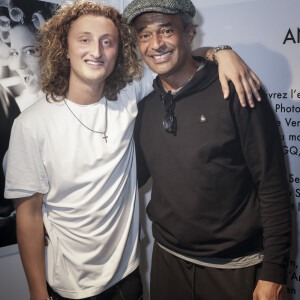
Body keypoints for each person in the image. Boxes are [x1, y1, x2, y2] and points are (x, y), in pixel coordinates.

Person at [4, 0, 262, 299]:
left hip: (130, 278)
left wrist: (222, 52)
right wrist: (37, 292)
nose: (96, 51)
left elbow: (174, 59)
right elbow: (29, 216)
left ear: (119, 50)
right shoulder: (31, 125)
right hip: (70, 288)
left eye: (107, 42)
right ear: (64, 47)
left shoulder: (129, 94)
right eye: (84, 40)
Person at [123, 0, 292, 299]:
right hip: (168, 264)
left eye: (166, 30)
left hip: (236, 270)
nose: (156, 44)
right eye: (145, 34)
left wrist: (275, 271)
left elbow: (273, 184)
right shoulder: (145, 109)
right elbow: (127, 181)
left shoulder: (237, 90)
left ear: (188, 33)